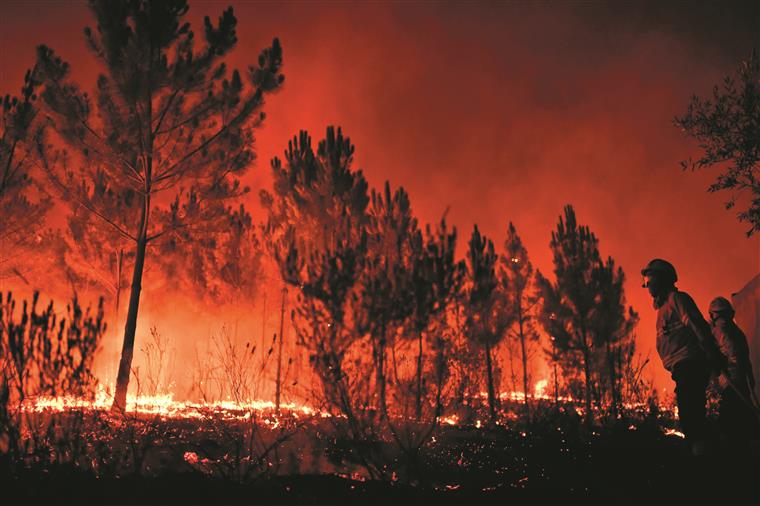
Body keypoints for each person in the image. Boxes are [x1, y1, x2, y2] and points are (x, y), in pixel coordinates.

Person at [641, 259, 726, 456]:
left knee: (691, 415)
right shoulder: (662, 309)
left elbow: (697, 326)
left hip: (691, 363)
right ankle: (705, 450)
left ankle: (705, 457)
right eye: (646, 279)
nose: (648, 284)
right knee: (690, 413)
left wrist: (711, 352)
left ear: (663, 279)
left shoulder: (677, 299)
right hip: (681, 367)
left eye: (650, 278)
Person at [708, 296, 760, 441]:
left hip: (731, 382)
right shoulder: (737, 332)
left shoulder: (720, 331)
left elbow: (733, 357)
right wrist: (750, 377)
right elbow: (745, 358)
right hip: (740, 381)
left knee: (731, 417)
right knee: (745, 413)